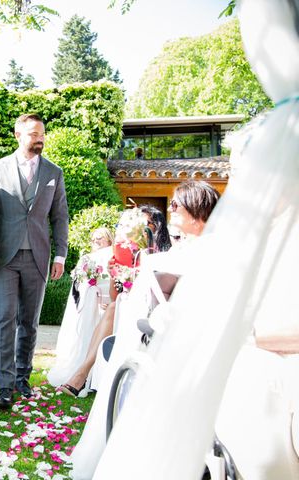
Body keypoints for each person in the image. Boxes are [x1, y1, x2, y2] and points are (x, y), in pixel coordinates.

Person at [69, 181, 220, 479]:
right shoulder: (166, 257)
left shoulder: (214, 254)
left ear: (197, 210)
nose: (171, 210)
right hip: (161, 341)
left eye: (177, 205)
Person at [0, 113, 69, 409]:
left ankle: (23, 377)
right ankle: (5, 386)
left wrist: (60, 254)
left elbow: (60, 217)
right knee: (5, 319)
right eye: (34, 134)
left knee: (30, 323)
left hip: (38, 256)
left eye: (42, 134)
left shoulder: (53, 172)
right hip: (5, 258)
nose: (40, 138)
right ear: (18, 135)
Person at [58, 205, 171, 397]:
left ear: (156, 227)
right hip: (125, 307)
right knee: (112, 307)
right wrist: (114, 274)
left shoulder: (161, 255)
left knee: (112, 309)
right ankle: (84, 373)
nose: (138, 230)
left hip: (154, 309)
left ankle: (81, 375)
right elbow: (115, 296)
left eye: (144, 224)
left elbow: (156, 293)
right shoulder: (127, 253)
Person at [47, 227, 114, 389]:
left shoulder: (113, 258)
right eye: (94, 238)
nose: (96, 241)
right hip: (89, 308)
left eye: (100, 238)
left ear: (109, 241)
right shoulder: (86, 259)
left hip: (107, 307)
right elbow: (78, 287)